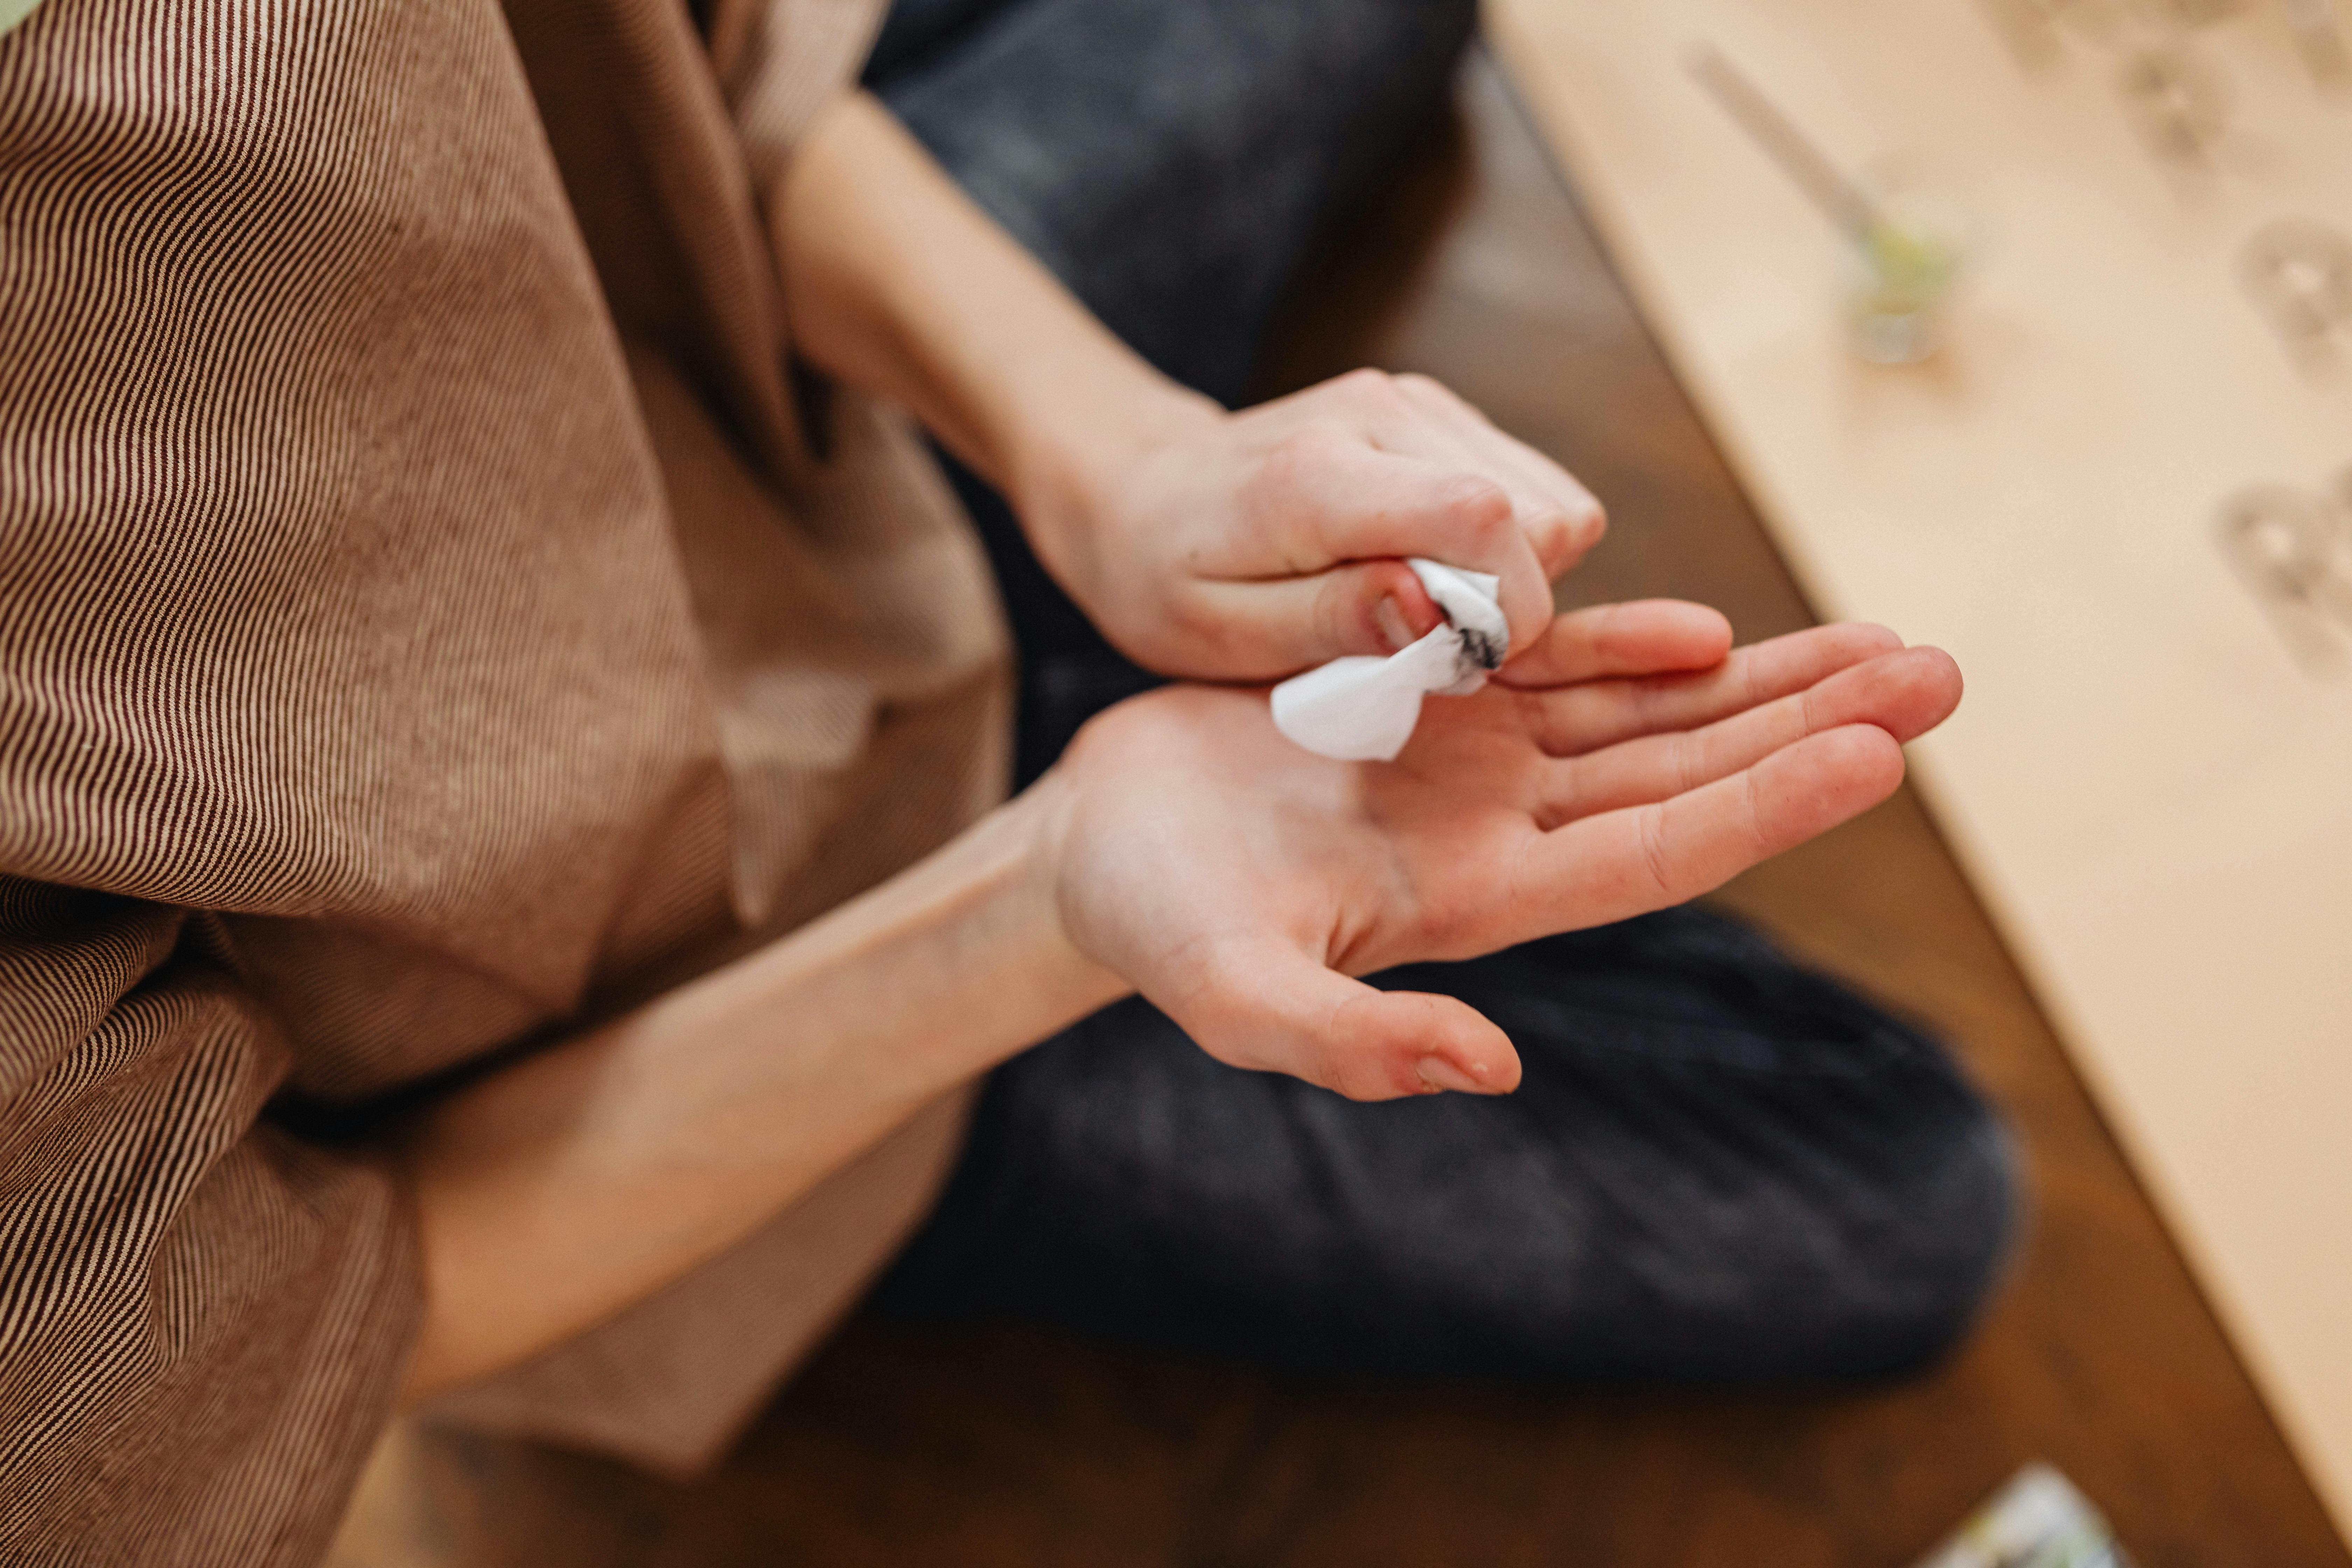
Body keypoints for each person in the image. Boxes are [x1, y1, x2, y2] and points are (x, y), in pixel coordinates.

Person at [0, 1, 2013, 1563]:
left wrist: (1130, 464)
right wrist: (1056, 895)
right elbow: (344, 1306)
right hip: (748, 1003)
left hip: (821, 434)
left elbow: (688, 90)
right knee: (1914, 1199)